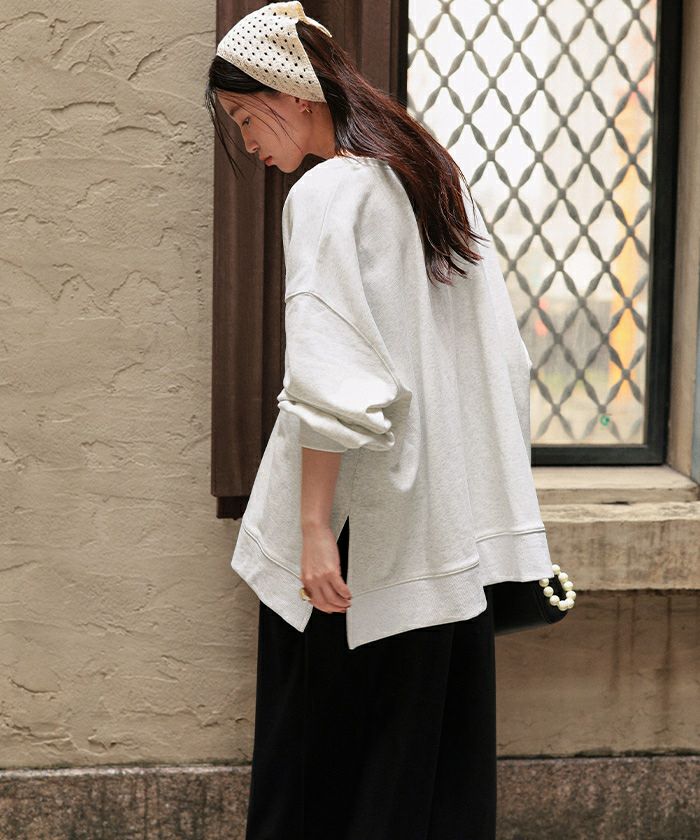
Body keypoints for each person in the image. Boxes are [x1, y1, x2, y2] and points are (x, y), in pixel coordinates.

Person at [205, 3, 554, 838]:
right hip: (442, 539)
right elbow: (502, 363)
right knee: (425, 784)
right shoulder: (427, 178)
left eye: (246, 117)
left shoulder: (330, 192)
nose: (248, 143)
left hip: (356, 537)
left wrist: (312, 528)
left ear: (290, 96)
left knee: (320, 782)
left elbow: (330, 377)